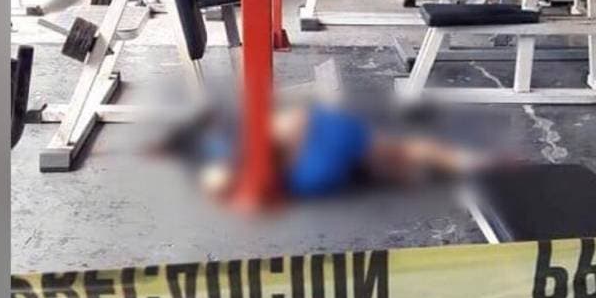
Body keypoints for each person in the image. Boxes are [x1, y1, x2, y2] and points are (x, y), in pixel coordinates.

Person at [156, 101, 508, 202]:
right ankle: (459, 164)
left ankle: (457, 164)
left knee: (391, 152)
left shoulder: (223, 147)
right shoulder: (312, 168)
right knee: (392, 152)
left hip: (318, 153)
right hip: (314, 161)